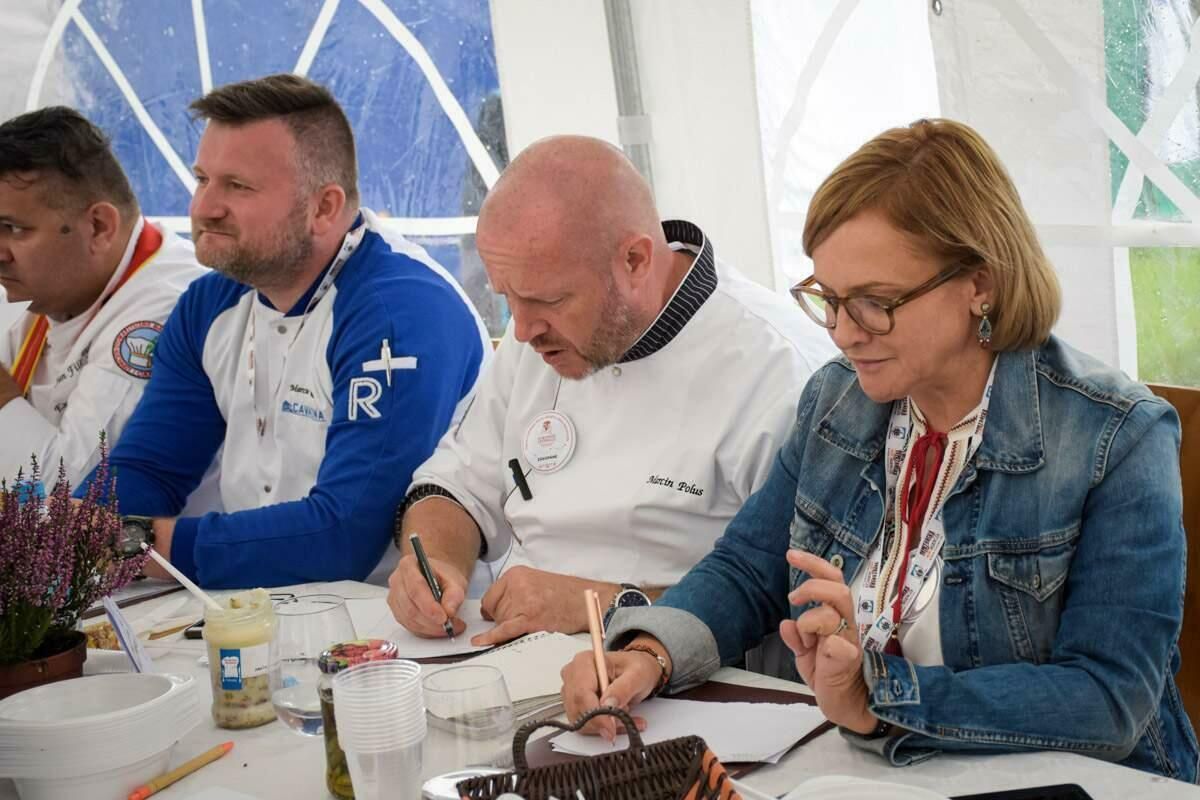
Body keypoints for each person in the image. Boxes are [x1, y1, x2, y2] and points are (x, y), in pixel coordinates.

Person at [561, 118, 1199, 781]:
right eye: (829, 299)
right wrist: (649, 650)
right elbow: (749, 569)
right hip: (873, 772)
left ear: (980, 284)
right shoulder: (837, 398)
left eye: (874, 302)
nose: (843, 332)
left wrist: (878, 697)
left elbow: (1108, 697)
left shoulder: (1119, 436)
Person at [386, 135, 835, 646]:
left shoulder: (777, 371)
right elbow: (457, 482)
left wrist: (603, 604)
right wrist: (434, 561)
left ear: (636, 261)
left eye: (549, 300)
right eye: (507, 298)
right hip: (514, 649)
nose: (523, 329)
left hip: (680, 665)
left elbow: (783, 598)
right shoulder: (537, 335)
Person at [79, 74, 490, 588]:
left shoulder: (400, 311)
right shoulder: (208, 304)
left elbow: (343, 537)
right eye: (202, 179)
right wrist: (78, 529)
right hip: (259, 607)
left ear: (324, 208)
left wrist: (135, 542)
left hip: (401, 621)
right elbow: (149, 469)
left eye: (238, 186)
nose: (205, 207)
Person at [0, 107, 203, 486]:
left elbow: (75, 493)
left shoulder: (165, 311)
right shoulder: (54, 295)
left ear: (98, 226)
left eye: (12, 228)